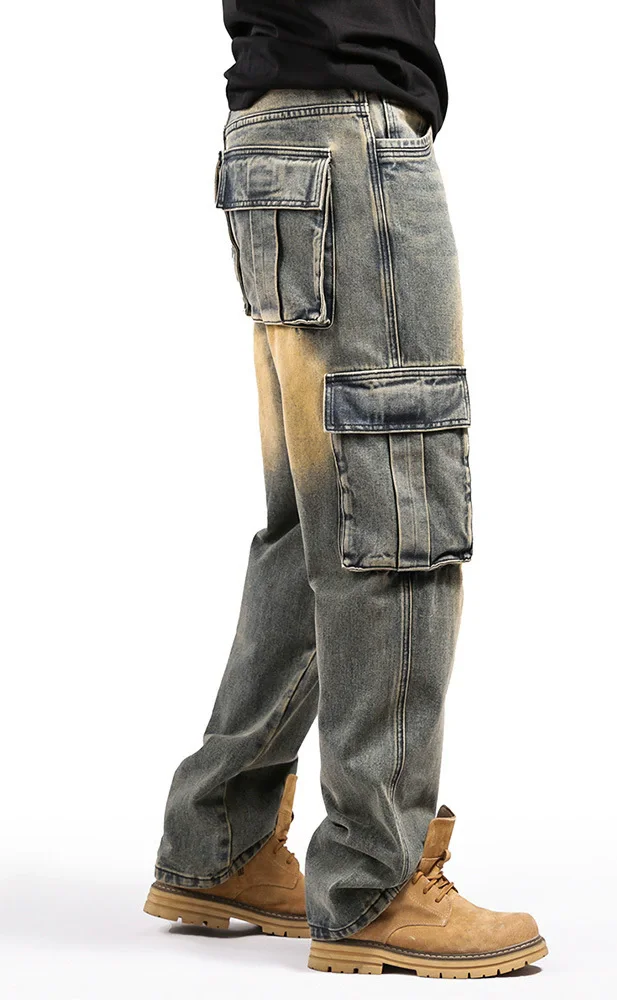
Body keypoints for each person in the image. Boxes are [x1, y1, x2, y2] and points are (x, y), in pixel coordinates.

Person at [144, 1, 547, 978]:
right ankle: (378, 880)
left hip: (276, 131)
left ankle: (220, 837)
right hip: (349, 131)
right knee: (397, 509)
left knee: (321, 520)